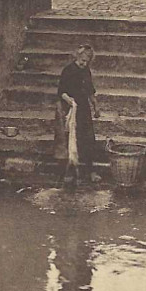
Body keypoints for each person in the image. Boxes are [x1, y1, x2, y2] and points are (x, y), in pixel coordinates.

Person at [55, 45, 99, 186]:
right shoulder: (68, 71)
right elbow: (61, 92)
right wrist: (70, 101)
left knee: (87, 138)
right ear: (77, 57)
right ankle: (68, 172)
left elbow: (90, 91)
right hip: (70, 109)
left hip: (83, 108)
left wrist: (96, 107)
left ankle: (90, 171)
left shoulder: (86, 71)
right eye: (82, 60)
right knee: (69, 140)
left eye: (87, 61)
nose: (84, 64)